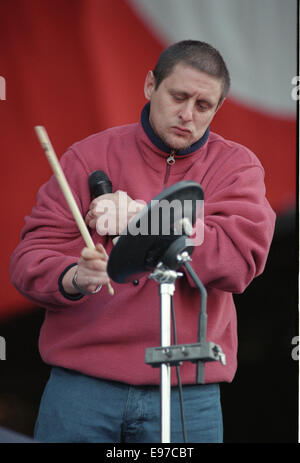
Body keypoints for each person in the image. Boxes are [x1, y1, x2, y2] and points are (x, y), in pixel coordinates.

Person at [10, 40, 276, 443]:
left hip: (188, 392)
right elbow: (29, 258)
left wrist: (139, 216)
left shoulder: (237, 167)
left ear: (218, 110)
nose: (187, 115)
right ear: (151, 85)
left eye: (203, 106)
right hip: (82, 388)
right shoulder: (87, 155)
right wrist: (74, 277)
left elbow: (240, 260)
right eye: (179, 96)